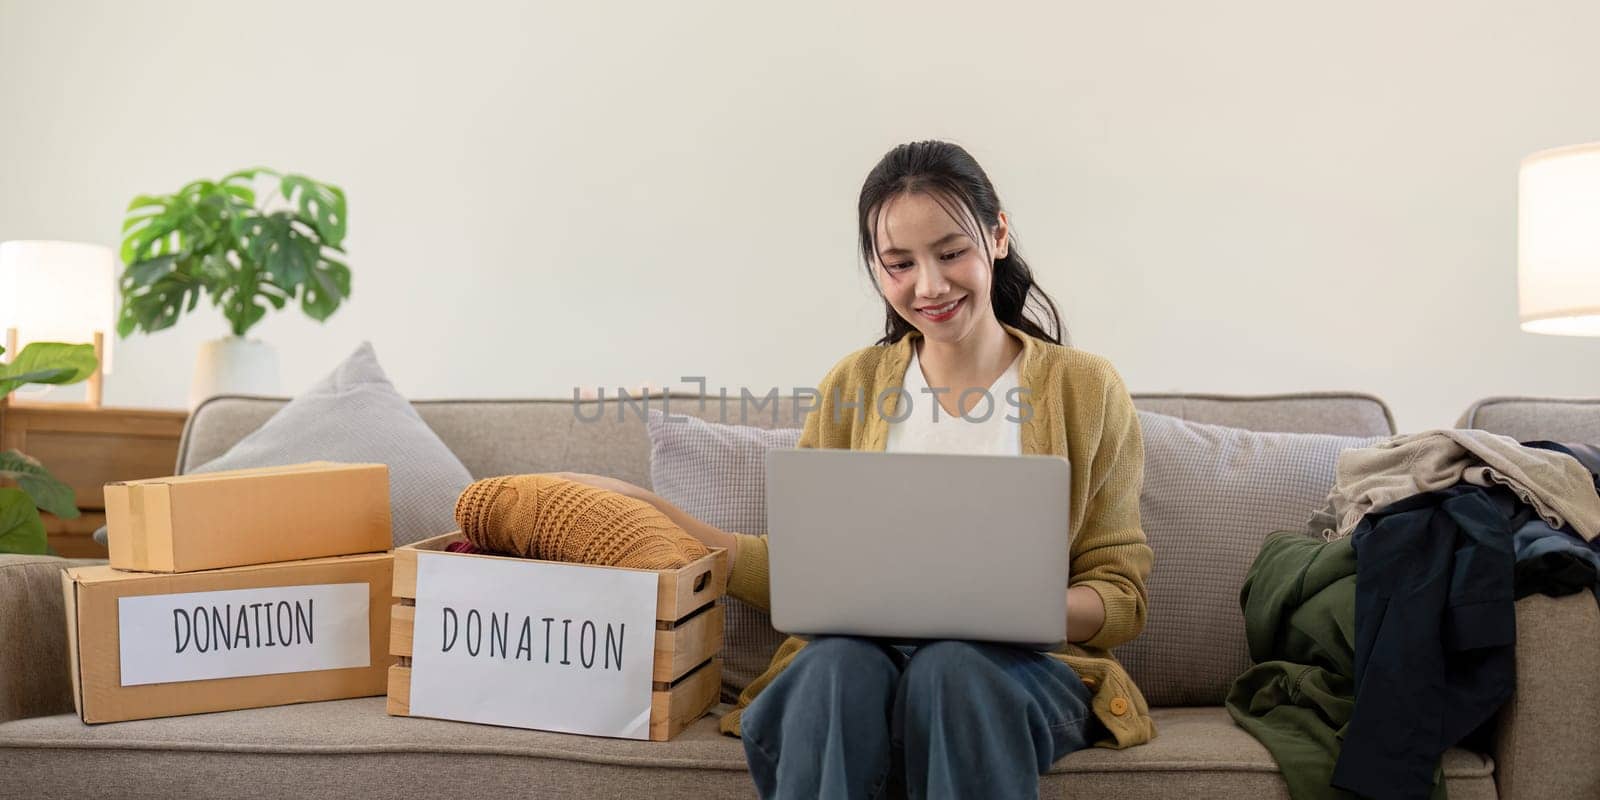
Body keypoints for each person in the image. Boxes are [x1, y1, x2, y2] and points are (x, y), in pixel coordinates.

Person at [556, 140, 1154, 799]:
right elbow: (805, 570)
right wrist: (640, 506)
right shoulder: (854, 383)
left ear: (998, 235)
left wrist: (1009, 610)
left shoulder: (1086, 388)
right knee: (837, 663)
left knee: (951, 669)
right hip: (859, 669)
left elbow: (1119, 596)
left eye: (951, 252)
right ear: (875, 268)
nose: (929, 285)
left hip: (1019, 674)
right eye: (899, 263)